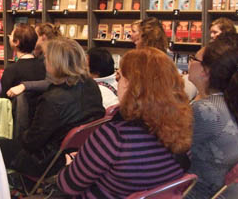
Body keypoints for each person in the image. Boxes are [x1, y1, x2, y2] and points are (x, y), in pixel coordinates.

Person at [58, 47, 192, 198]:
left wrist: (73, 164)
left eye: (119, 77)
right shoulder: (183, 129)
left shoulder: (114, 136)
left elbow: (68, 185)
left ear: (131, 85)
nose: (117, 82)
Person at [0, 38, 105, 177]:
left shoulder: (52, 100)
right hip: (82, 152)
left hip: (48, 161)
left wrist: (21, 133)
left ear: (55, 63)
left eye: (46, 57)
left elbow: (32, 142)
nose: (44, 60)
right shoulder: (90, 84)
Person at [186, 33, 238, 199]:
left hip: (196, 192)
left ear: (206, 71)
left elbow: (167, 155)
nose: (189, 62)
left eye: (194, 58)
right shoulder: (225, 101)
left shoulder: (206, 110)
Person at [6, 22, 61, 96]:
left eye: (35, 36)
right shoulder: (39, 55)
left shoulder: (52, 58)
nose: (31, 38)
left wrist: (24, 86)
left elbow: (51, 82)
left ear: (43, 37)